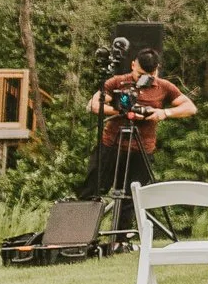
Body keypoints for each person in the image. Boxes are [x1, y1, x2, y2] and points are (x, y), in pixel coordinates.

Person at [83, 47, 195, 233]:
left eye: (149, 75)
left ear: (157, 70)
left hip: (141, 148)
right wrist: (121, 112)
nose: (144, 79)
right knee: (92, 188)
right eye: (140, 74)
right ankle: (82, 234)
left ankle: (120, 238)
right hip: (111, 144)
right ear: (133, 65)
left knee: (130, 196)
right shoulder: (118, 82)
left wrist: (164, 113)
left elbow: (190, 107)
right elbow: (94, 105)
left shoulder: (163, 87)